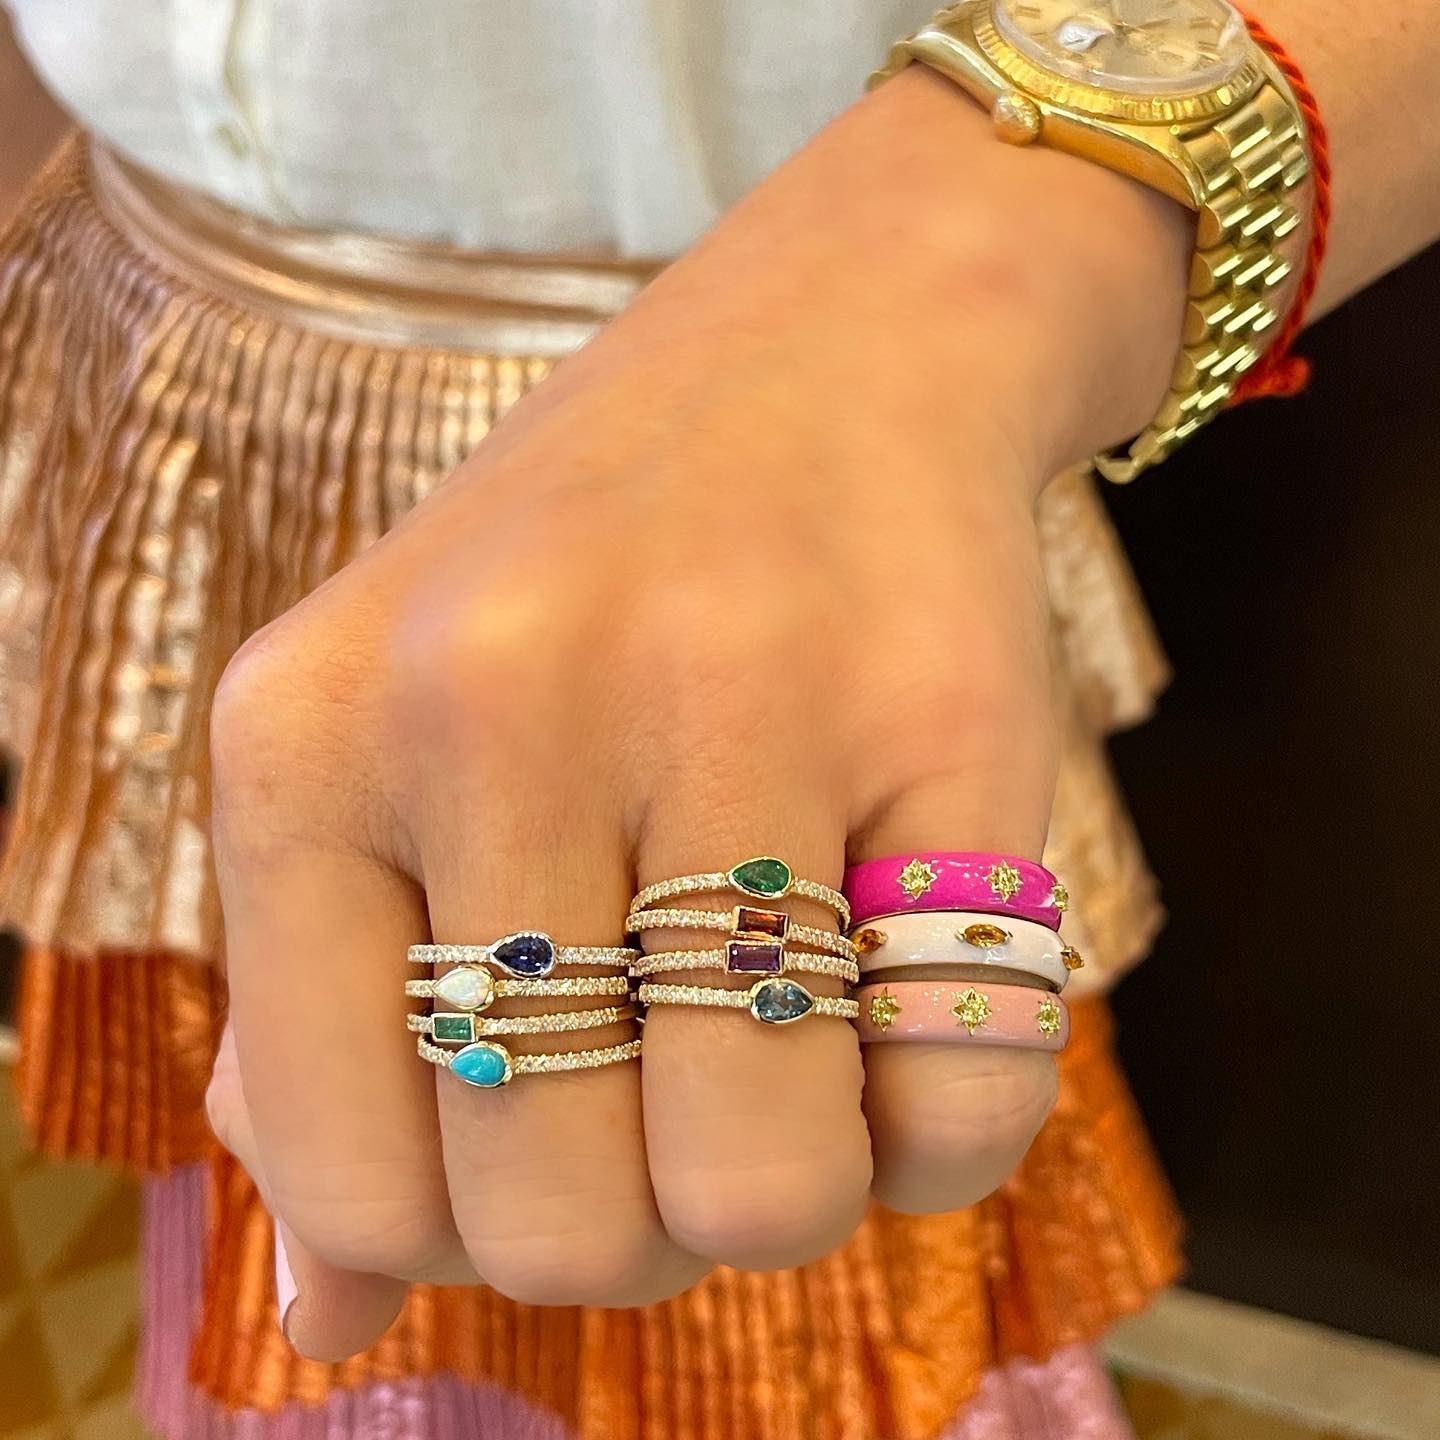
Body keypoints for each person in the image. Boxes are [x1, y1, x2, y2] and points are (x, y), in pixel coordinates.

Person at [1, 1, 1437, 1436]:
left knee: (782, 1187)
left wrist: (977, 271)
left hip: (800, 498)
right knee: (315, 1119)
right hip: (152, 391)